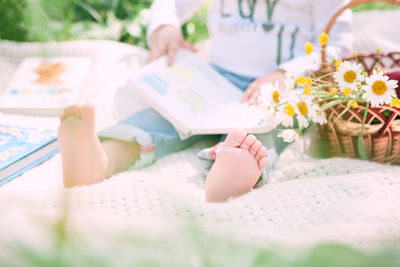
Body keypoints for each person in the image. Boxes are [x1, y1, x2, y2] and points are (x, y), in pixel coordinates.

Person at [57, 0, 352, 202]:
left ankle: (230, 172)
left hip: (278, 86)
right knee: (163, 114)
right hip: (214, 77)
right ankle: (102, 158)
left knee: (267, 128)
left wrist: (284, 74)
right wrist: (166, 27)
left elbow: (338, 44)